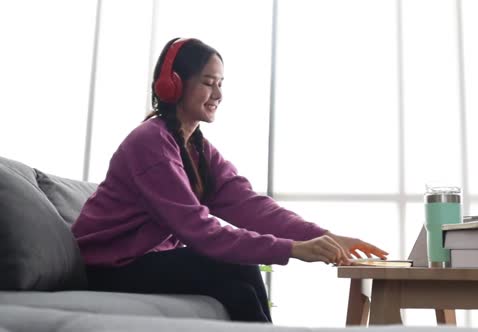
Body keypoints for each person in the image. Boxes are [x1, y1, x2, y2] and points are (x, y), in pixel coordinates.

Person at [71, 37, 388, 323]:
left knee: (241, 278)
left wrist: (326, 237)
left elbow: (251, 206)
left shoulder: (197, 148)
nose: (219, 94)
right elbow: (199, 230)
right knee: (238, 280)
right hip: (108, 269)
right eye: (209, 82)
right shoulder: (150, 143)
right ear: (174, 85)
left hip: (143, 262)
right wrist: (293, 249)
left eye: (221, 83)